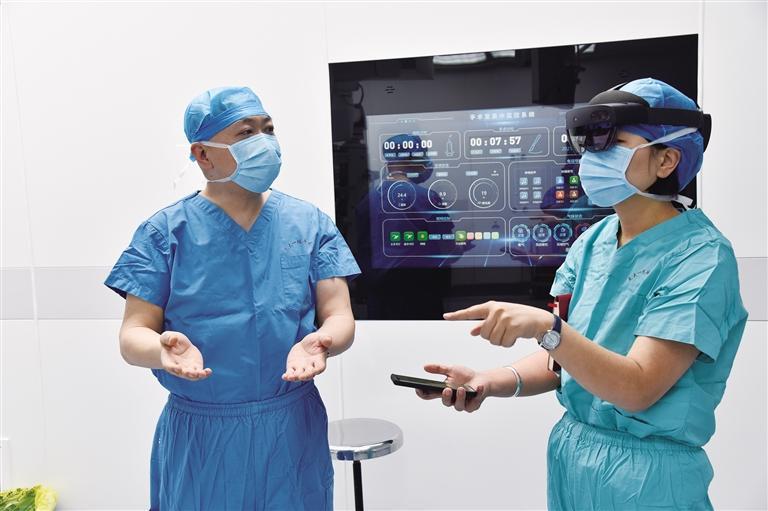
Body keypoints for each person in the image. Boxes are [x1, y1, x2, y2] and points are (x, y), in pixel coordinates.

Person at [415, 78, 747, 510]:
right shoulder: (593, 241)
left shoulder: (701, 256)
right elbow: (564, 360)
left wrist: (546, 327)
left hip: (647, 477)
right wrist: (488, 381)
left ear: (667, 159)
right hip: (572, 454)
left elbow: (638, 387)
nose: (593, 157)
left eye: (614, 143)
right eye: (589, 144)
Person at [105, 86, 360, 510]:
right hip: (202, 435)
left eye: (268, 129)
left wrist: (323, 340)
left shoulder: (308, 223)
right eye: (245, 132)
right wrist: (162, 351)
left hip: (290, 428)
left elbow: (339, 315)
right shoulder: (164, 233)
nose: (264, 142)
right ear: (202, 154)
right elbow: (133, 335)